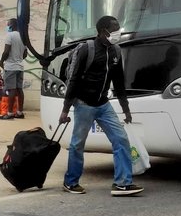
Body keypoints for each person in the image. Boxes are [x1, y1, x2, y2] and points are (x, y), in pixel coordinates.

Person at [59, 16, 142, 197]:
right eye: (114, 29)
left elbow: (119, 82)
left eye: (118, 28)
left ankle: (122, 183)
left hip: (103, 104)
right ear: (102, 31)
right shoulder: (86, 50)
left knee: (121, 139)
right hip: (84, 104)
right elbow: (73, 80)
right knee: (77, 145)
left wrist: (125, 108)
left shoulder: (116, 51)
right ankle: (71, 182)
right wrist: (65, 109)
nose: (117, 32)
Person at [0, 18, 27, 119]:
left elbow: (6, 51)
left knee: (12, 90)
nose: (7, 26)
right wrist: (18, 58)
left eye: (8, 24)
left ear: (12, 25)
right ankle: (20, 112)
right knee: (19, 89)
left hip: (10, 66)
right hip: (20, 66)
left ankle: (10, 113)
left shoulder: (9, 35)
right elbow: (25, 54)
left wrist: (2, 61)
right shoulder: (23, 37)